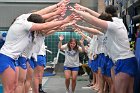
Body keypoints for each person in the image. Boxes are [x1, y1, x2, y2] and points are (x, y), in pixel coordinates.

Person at [70, 4, 138, 93]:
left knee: (120, 90)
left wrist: (78, 12)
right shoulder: (114, 23)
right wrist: (84, 11)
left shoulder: (115, 24)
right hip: (122, 60)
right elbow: (97, 19)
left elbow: (96, 21)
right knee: (128, 90)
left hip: (124, 60)